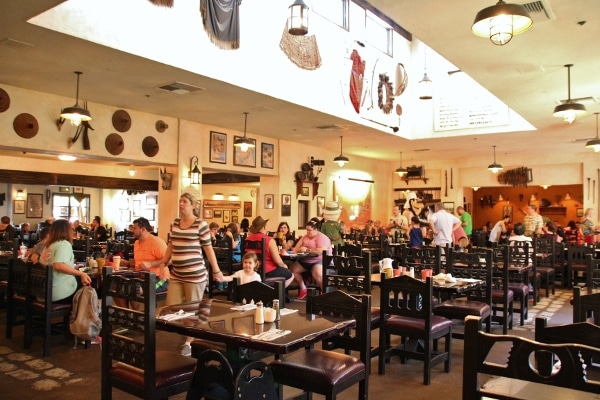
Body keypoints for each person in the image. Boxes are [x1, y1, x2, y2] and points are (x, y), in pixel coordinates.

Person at [153, 192, 223, 356]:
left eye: (185, 201)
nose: (181, 204)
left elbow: (208, 249)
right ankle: (194, 331)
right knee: (172, 307)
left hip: (195, 275)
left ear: (193, 205)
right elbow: (171, 245)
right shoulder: (175, 223)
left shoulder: (200, 224)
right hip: (177, 274)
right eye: (180, 201)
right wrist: (164, 261)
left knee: (192, 308)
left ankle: (188, 343)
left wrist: (216, 269)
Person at [40, 219, 91, 302]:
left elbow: (53, 265)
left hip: (43, 292)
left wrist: (73, 267)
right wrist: (81, 273)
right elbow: (58, 265)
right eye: (71, 229)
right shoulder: (64, 244)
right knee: (89, 288)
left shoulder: (48, 246)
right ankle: (86, 314)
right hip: (58, 292)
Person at [245, 216, 294, 286]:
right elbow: (278, 261)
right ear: (264, 226)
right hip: (266, 270)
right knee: (290, 275)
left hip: (251, 268)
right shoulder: (269, 240)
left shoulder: (247, 239)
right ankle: (277, 295)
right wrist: (284, 266)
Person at [290, 218, 332, 299]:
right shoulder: (305, 237)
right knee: (293, 270)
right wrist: (300, 249)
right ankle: (303, 289)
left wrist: (307, 250)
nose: (308, 232)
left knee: (317, 272)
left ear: (316, 229)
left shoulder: (322, 237)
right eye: (307, 230)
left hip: (321, 260)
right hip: (306, 260)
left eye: (310, 230)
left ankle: (325, 293)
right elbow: (295, 249)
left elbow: (321, 251)